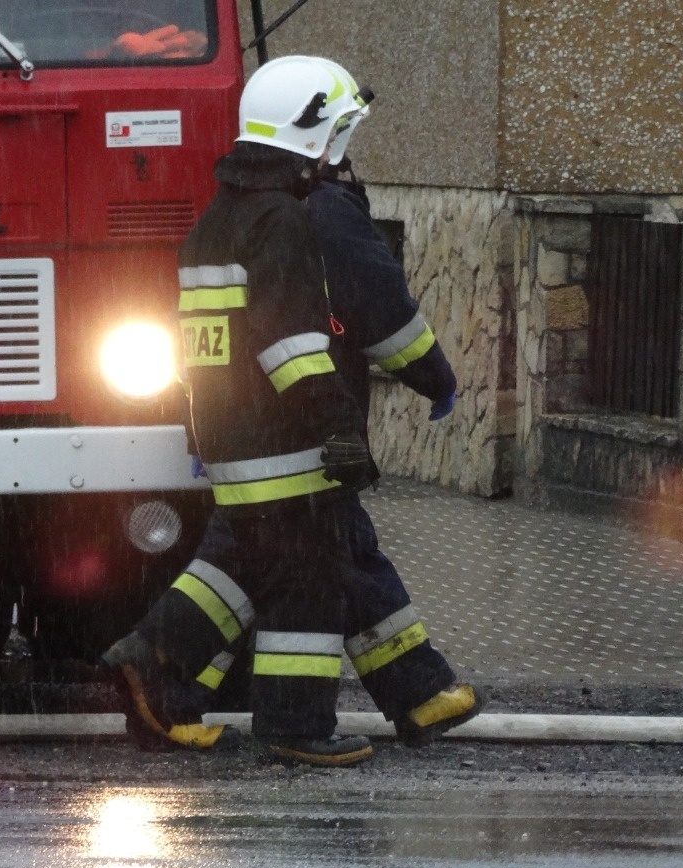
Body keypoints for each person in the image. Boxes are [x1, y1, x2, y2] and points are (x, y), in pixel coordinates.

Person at [103, 57, 481, 760]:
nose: (343, 150)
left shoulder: (216, 221)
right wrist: (336, 424)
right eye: (339, 132)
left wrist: (202, 427)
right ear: (314, 135)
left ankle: (416, 692)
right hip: (288, 439)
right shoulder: (283, 220)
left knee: (263, 559)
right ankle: (291, 723)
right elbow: (292, 343)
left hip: (232, 437)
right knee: (311, 575)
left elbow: (205, 348)